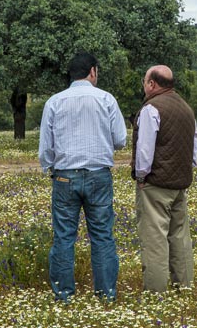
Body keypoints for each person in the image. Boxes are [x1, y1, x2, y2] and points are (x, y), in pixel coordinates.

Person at [39, 52, 126, 302]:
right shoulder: (106, 99)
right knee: (102, 236)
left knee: (64, 236)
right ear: (92, 71)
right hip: (99, 175)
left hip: (65, 176)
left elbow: (46, 147)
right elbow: (120, 139)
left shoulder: (55, 102)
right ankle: (106, 294)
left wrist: (51, 169)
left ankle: (64, 295)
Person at [131, 65, 197, 292]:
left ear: (152, 84)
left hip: (156, 184)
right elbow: (194, 147)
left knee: (155, 239)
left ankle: (155, 292)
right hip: (180, 181)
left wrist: (141, 177)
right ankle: (184, 285)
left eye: (144, 81)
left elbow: (145, 150)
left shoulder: (152, 108)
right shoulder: (186, 108)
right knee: (180, 236)